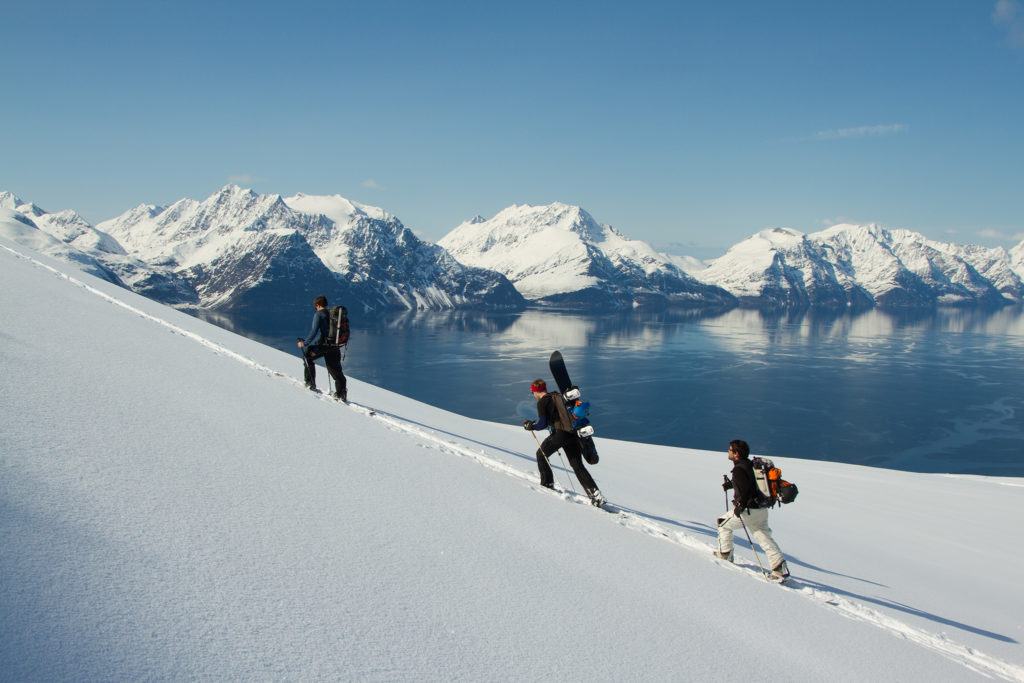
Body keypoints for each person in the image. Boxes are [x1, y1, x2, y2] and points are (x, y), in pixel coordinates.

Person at [714, 439, 790, 580]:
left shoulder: (738, 469)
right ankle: (779, 568)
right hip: (761, 509)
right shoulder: (751, 465)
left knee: (722, 523)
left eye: (730, 450)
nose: (728, 452)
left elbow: (746, 490)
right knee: (764, 537)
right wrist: (731, 485)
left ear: (736, 453)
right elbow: (751, 484)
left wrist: (740, 506)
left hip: (748, 511)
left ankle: (725, 554)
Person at [523, 379, 605, 507]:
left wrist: (530, 426)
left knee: (541, 455)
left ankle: (547, 484)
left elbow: (542, 424)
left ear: (535, 391)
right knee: (577, 466)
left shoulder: (542, 402)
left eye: (532, 392)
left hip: (559, 434)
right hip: (572, 434)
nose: (533, 395)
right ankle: (595, 494)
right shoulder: (557, 397)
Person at [297, 295, 347, 401]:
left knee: (307, 357)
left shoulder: (319, 314)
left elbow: (314, 331)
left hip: (324, 345)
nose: (315, 308)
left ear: (317, 305)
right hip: (335, 345)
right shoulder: (333, 314)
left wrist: (305, 343)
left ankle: (310, 383)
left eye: (315, 307)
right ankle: (341, 394)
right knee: (335, 370)